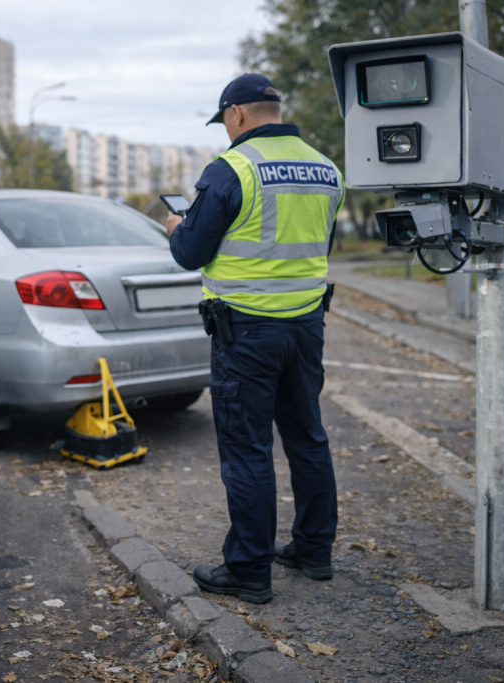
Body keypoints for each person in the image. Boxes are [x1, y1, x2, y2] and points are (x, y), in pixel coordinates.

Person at [166, 74, 345, 604]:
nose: (225, 129)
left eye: (224, 120)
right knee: (307, 437)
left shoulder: (231, 169)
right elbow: (316, 244)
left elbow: (191, 253)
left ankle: (248, 568)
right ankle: (314, 550)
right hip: (306, 326)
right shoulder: (325, 168)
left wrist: (178, 226)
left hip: (245, 331)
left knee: (247, 450)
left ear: (237, 115)